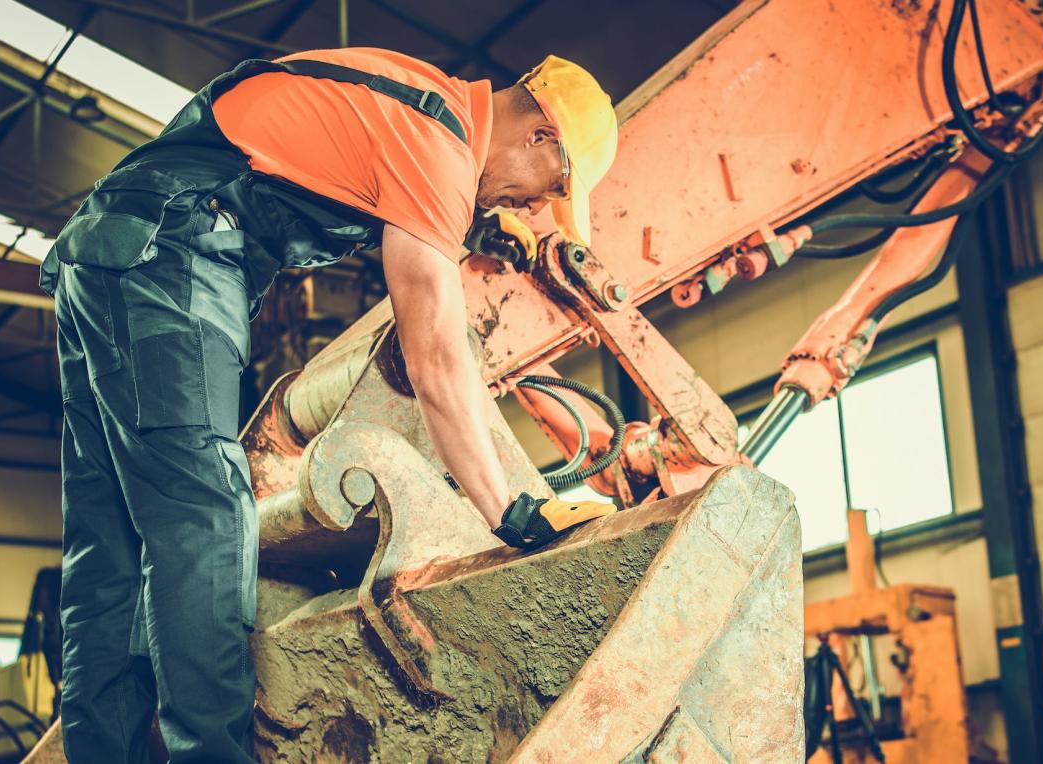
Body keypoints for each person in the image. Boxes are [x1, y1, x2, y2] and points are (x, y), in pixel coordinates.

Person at [41, 47, 620, 763]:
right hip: (172, 257)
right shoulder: (435, 140)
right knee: (207, 521)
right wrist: (507, 509)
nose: (535, 206)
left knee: (110, 540)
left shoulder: (415, 104)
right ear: (539, 136)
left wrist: (470, 225)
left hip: (108, 254)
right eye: (551, 186)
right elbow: (434, 357)